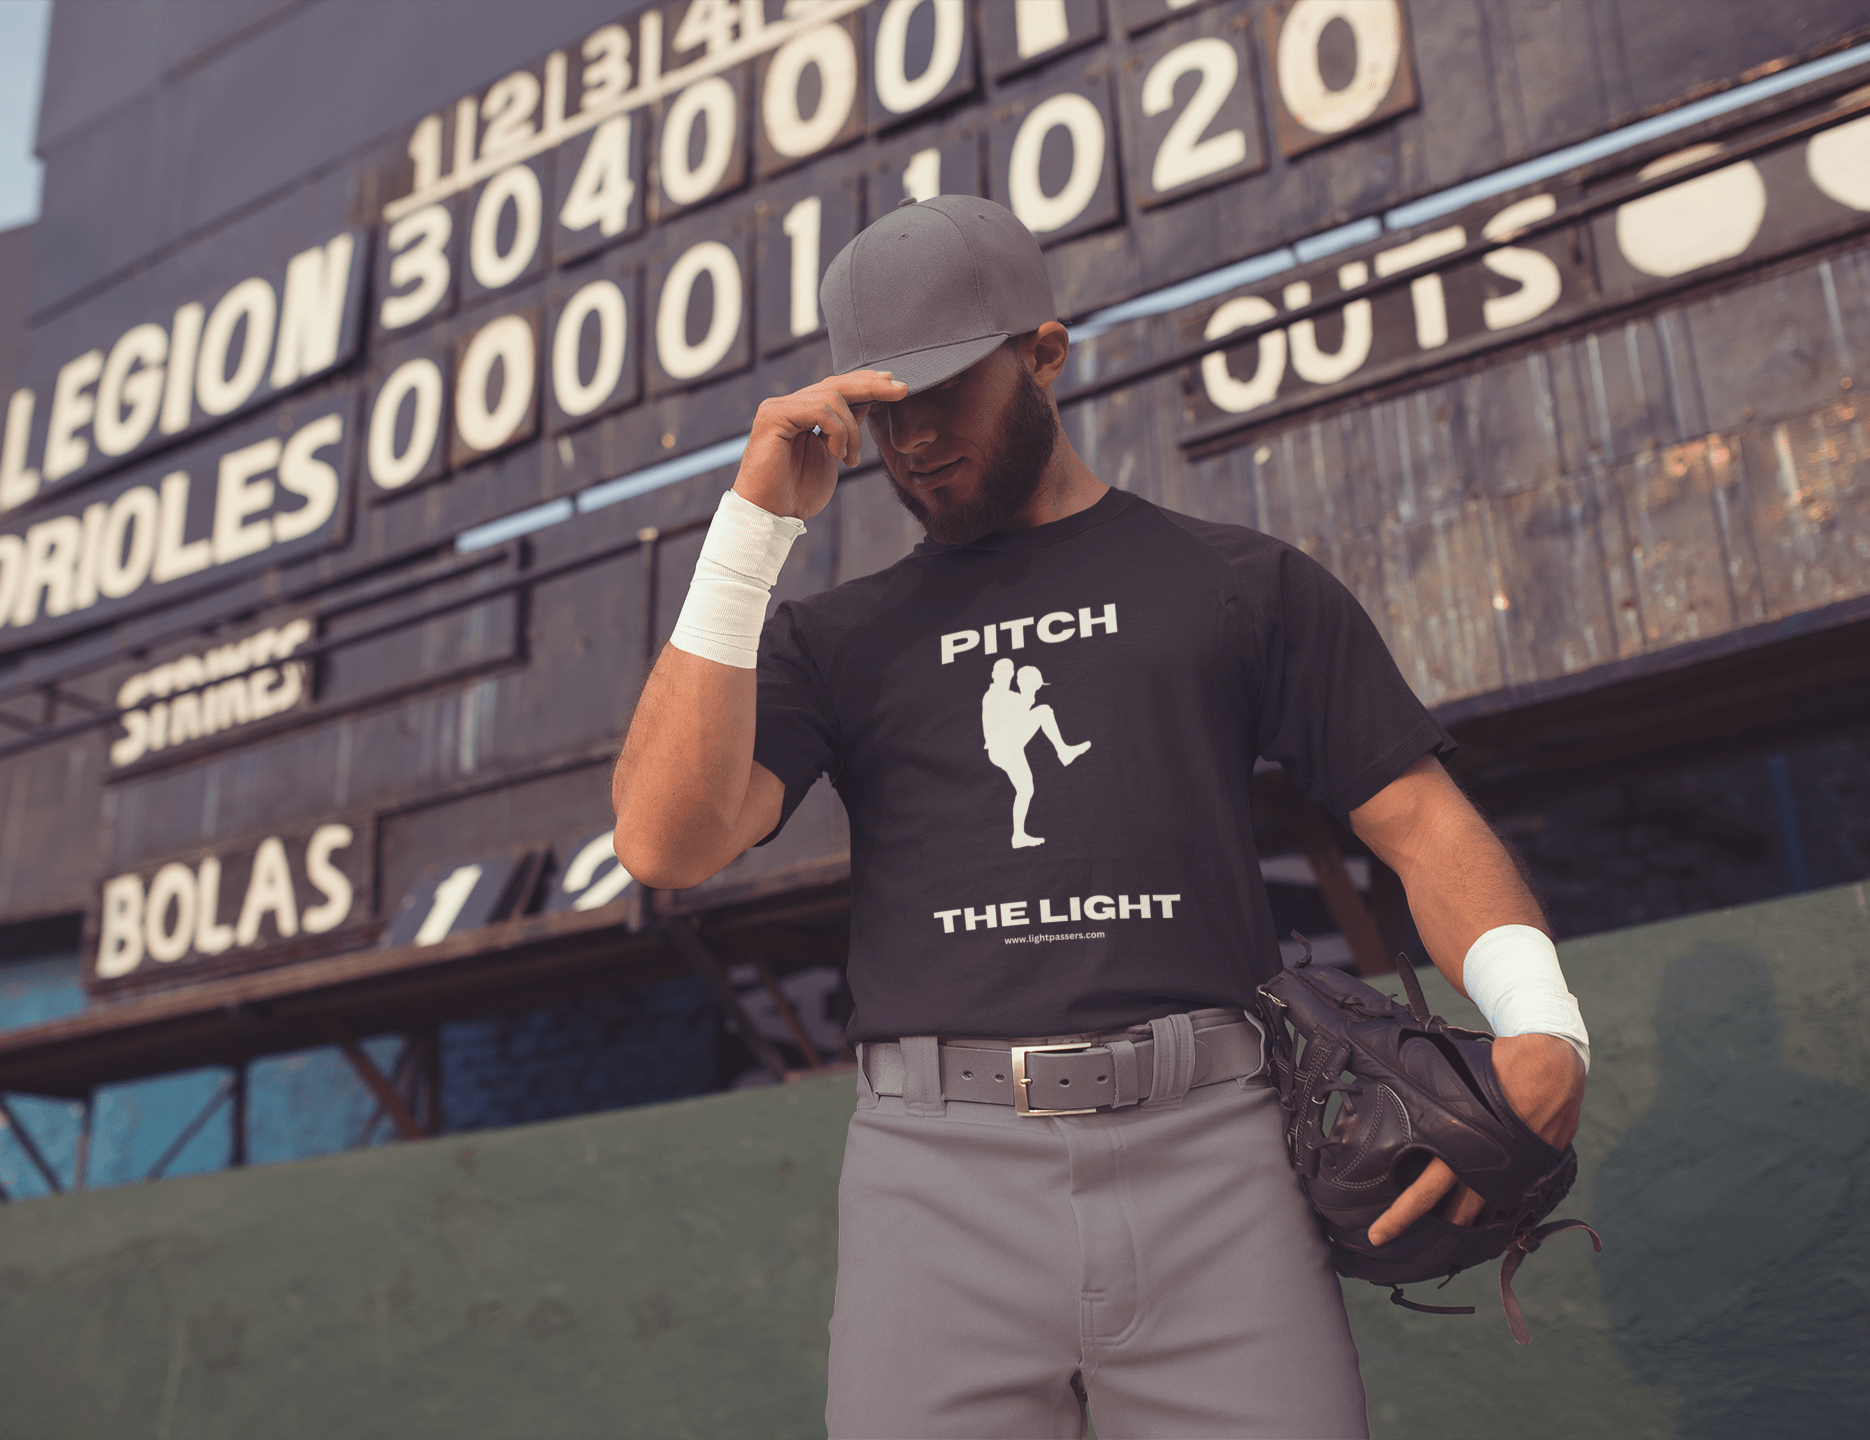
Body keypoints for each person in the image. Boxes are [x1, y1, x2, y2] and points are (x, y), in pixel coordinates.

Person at [612, 196, 1590, 1440]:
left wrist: (1544, 1023)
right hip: (935, 1171)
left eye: (942, 393)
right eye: (882, 407)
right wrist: (751, 532)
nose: (911, 440)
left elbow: (1414, 817)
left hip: (1217, 1153)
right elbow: (661, 842)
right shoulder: (833, 638)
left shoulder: (1238, 583)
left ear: (1044, 353)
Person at [982, 656, 1091, 848]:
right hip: (1002, 746)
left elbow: (1022, 708)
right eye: (1001, 671)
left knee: (1026, 789)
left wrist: (1030, 686)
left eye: (1009, 671)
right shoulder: (994, 695)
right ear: (993, 675)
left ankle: (1018, 836)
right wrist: (1029, 688)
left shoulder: (1010, 695)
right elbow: (1020, 706)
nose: (1006, 675)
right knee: (1043, 712)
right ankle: (1064, 751)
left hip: (1011, 745)